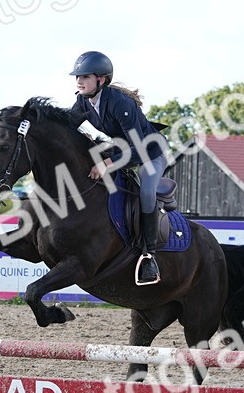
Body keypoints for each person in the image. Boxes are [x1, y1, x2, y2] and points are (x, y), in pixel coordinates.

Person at [67, 50, 169, 285]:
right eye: (77, 77)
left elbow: (139, 149)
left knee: (145, 191)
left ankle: (148, 255)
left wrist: (107, 163)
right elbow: (69, 127)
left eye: (85, 76)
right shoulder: (82, 101)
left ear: (100, 80)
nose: (79, 81)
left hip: (149, 153)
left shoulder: (120, 103)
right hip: (121, 150)